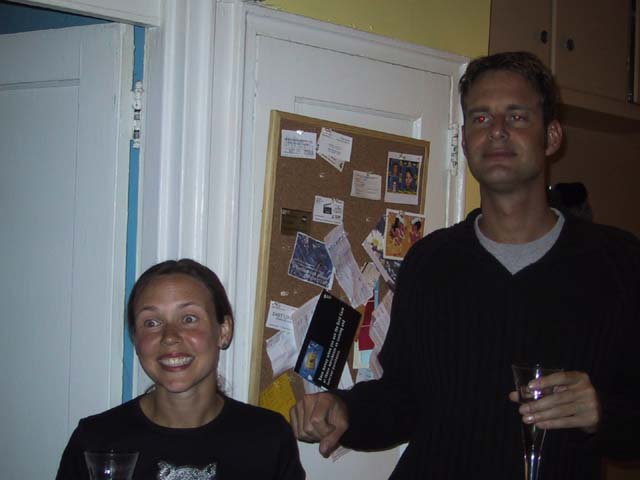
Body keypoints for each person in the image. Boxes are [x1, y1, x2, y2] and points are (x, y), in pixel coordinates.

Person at [290, 51, 640, 479]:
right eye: (480, 118)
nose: (496, 130)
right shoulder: (430, 262)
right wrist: (344, 410)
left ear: (551, 137)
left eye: (517, 116)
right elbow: (402, 399)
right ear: (464, 142)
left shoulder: (618, 262)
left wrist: (602, 413)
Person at [57, 259, 305, 479]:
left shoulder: (268, 439)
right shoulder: (96, 442)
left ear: (224, 330)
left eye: (189, 319)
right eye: (151, 322)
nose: (169, 336)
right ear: (135, 339)